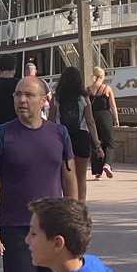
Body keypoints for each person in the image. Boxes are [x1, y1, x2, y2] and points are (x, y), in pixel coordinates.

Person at [0, 76, 77, 272]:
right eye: (17, 94)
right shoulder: (0, 135)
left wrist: (74, 222)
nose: (21, 100)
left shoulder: (60, 133)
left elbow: (70, 180)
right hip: (16, 227)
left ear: (45, 100)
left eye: (29, 95)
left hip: (54, 229)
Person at [48, 67, 103, 203]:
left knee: (66, 177)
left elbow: (51, 121)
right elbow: (90, 121)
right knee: (80, 177)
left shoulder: (56, 97)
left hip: (63, 138)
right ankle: (81, 207)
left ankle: (68, 206)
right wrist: (97, 144)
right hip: (82, 137)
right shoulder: (83, 97)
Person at [87, 67, 119, 180]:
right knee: (109, 142)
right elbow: (113, 105)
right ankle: (107, 164)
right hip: (105, 116)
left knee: (96, 142)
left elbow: (86, 106)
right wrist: (116, 118)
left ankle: (98, 172)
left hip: (93, 117)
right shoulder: (107, 88)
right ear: (102, 76)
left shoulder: (88, 90)